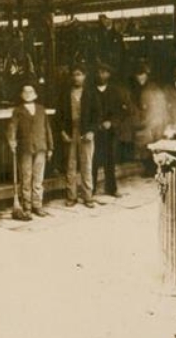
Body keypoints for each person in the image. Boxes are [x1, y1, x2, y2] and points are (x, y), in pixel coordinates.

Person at [7, 84, 53, 220]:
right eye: (25, 91)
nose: (27, 93)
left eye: (30, 91)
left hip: (41, 147)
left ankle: (37, 205)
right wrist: (12, 140)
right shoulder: (18, 110)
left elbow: (47, 129)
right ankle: (26, 206)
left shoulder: (41, 109)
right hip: (25, 148)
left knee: (38, 178)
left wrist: (50, 147)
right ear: (21, 95)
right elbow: (12, 127)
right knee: (26, 177)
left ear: (35, 94)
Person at [57, 63, 99, 208]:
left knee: (87, 165)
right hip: (71, 132)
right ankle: (71, 196)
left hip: (86, 133)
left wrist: (92, 131)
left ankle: (88, 197)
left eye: (79, 74)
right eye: (74, 74)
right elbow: (59, 116)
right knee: (71, 166)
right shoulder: (65, 94)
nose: (76, 78)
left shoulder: (91, 93)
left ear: (85, 76)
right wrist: (62, 132)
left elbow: (97, 115)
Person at [92, 62, 128, 198]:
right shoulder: (90, 91)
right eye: (99, 72)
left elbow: (122, 112)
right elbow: (86, 112)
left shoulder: (115, 92)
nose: (101, 75)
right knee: (93, 160)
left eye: (104, 72)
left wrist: (112, 122)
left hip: (110, 132)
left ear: (109, 74)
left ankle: (111, 188)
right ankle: (91, 188)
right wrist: (96, 125)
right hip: (95, 131)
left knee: (110, 159)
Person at [130, 63, 168, 177]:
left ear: (146, 75)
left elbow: (158, 105)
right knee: (145, 145)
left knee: (154, 144)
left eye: (142, 74)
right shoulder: (138, 88)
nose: (140, 77)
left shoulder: (152, 88)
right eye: (138, 75)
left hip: (154, 119)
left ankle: (156, 168)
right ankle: (151, 168)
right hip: (145, 119)